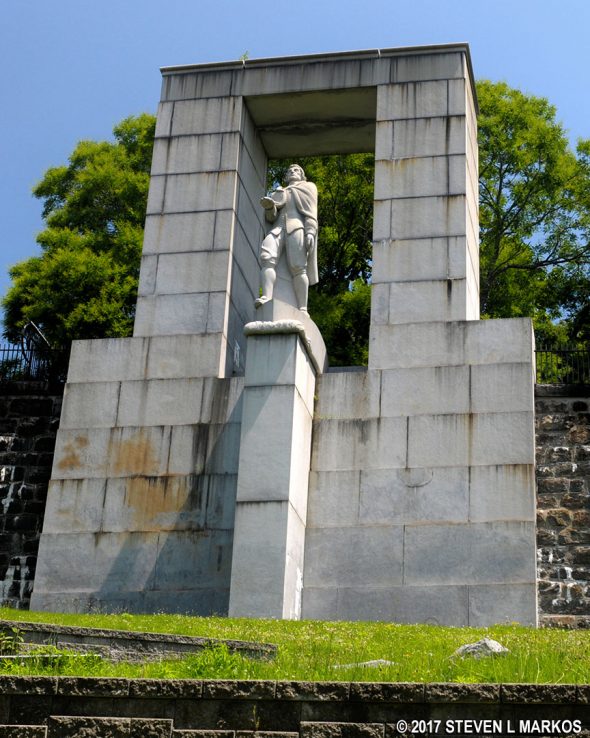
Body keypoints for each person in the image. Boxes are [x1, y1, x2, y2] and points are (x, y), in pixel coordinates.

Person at [255, 164, 318, 313]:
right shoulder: (279, 191)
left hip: (296, 228)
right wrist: (270, 207)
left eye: (296, 170)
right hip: (277, 229)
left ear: (302, 175)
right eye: (289, 170)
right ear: (285, 176)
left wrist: (310, 231)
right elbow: (270, 218)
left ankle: (302, 307)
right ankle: (267, 297)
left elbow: (311, 212)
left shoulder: (308, 187)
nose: (292, 172)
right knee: (266, 258)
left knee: (298, 267)